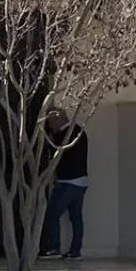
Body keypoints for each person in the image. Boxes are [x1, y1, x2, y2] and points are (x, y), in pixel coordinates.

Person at [39, 110, 89, 259]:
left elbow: (57, 152)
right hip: (81, 181)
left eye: (50, 122)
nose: (49, 126)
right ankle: (75, 250)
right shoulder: (79, 132)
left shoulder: (66, 135)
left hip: (68, 182)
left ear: (58, 120)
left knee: (52, 214)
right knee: (76, 217)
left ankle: (54, 248)